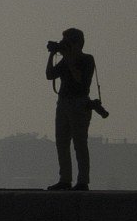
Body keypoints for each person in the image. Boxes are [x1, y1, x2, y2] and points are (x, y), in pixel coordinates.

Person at [44, 27, 107, 190]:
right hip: (63, 103)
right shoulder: (65, 60)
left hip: (79, 103)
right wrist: (53, 53)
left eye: (67, 42)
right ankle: (65, 179)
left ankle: (82, 181)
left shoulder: (87, 59)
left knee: (80, 143)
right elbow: (50, 75)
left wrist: (70, 59)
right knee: (61, 143)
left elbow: (80, 81)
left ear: (77, 43)